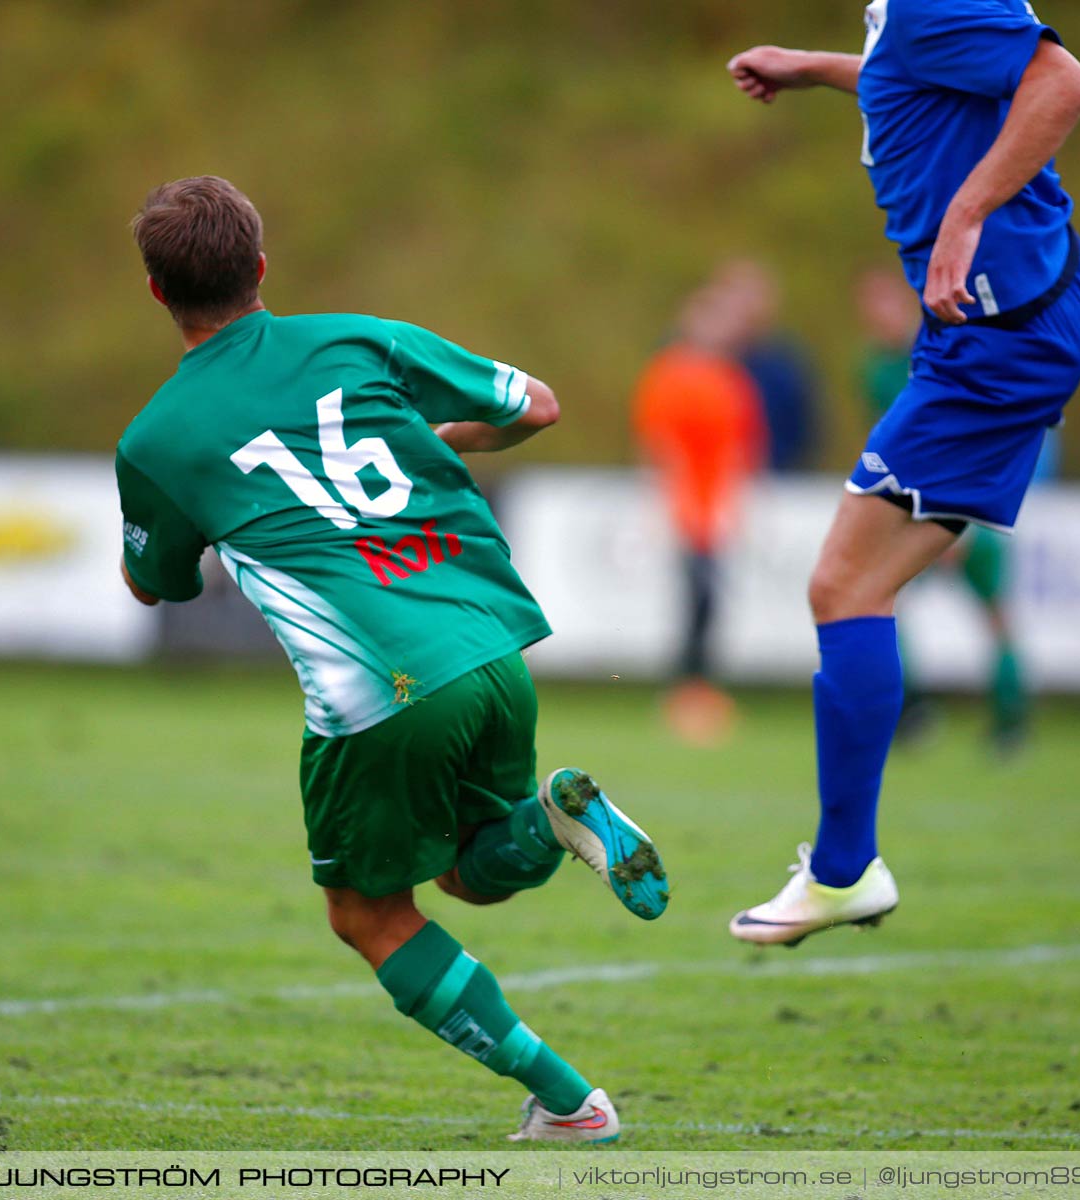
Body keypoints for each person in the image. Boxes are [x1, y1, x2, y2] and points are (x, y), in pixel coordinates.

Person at [724, 1, 1080, 947]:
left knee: (845, 588)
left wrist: (964, 215)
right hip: (1037, 298)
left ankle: (841, 871)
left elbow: (1063, 85)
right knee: (856, 583)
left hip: (987, 334)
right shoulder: (912, 16)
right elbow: (922, 69)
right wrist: (813, 66)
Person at [114, 176, 670, 1141]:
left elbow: (153, 584)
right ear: (258, 266)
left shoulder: (155, 440)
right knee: (470, 868)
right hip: (490, 643)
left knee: (366, 914)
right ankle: (550, 822)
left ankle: (571, 1103)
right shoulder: (355, 339)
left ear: (157, 292)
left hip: (381, 687)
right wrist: (433, 443)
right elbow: (537, 406)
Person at [854, 266, 1031, 752]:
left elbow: (966, 436)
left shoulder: (939, 354)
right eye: (870, 308)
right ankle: (914, 709)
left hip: (962, 508)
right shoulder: (874, 368)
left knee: (994, 615)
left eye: (885, 304)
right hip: (917, 510)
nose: (877, 316)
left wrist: (956, 516)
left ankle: (1009, 721)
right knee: (883, 600)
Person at [633, 283, 765, 743]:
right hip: (686, 507)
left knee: (709, 602)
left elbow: (740, 448)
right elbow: (660, 444)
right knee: (696, 599)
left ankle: (697, 689)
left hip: (716, 510)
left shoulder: (732, 379)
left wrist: (736, 505)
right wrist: (671, 503)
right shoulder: (670, 374)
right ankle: (685, 693)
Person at [718, 259, 827, 472]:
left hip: (776, 480)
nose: (744, 308)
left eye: (752, 297)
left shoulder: (785, 365)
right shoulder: (693, 363)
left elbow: (807, 433)